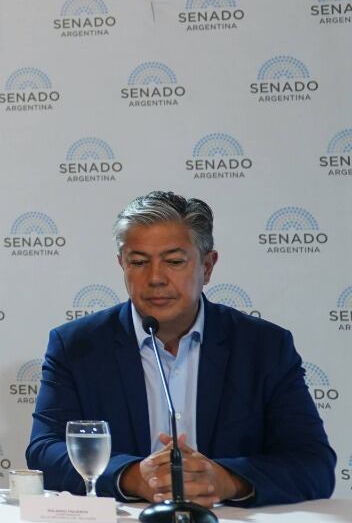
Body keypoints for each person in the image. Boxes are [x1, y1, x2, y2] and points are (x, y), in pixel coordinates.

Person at [27, 191, 335, 506]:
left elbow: (313, 464)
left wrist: (225, 481)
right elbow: (44, 452)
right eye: (138, 262)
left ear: (208, 266)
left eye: (174, 261)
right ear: (122, 264)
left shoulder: (264, 347)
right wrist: (134, 476)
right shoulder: (77, 346)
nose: (156, 278)